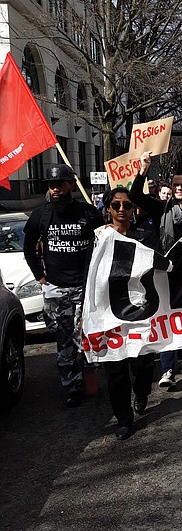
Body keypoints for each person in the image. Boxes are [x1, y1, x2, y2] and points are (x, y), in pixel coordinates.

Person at [23, 163, 104, 407]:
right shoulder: (41, 214)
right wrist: (41, 279)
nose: (55, 189)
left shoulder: (88, 213)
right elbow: (28, 249)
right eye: (51, 185)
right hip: (56, 291)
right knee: (63, 340)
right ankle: (72, 386)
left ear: (70, 185)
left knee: (86, 338)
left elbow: (103, 245)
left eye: (60, 184)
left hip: (85, 289)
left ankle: (90, 376)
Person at [130, 151, 182, 385]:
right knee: (167, 316)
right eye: (175, 184)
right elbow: (135, 195)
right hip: (165, 271)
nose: (178, 188)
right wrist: (143, 170)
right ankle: (167, 368)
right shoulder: (161, 209)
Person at [94, 188, 160, 439]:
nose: (121, 209)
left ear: (134, 209)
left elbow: (160, 267)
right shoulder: (98, 239)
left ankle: (142, 391)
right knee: (114, 370)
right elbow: (89, 279)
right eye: (116, 205)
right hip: (108, 313)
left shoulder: (146, 237)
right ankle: (123, 418)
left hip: (140, 312)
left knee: (142, 364)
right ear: (108, 208)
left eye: (127, 205)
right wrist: (85, 316)